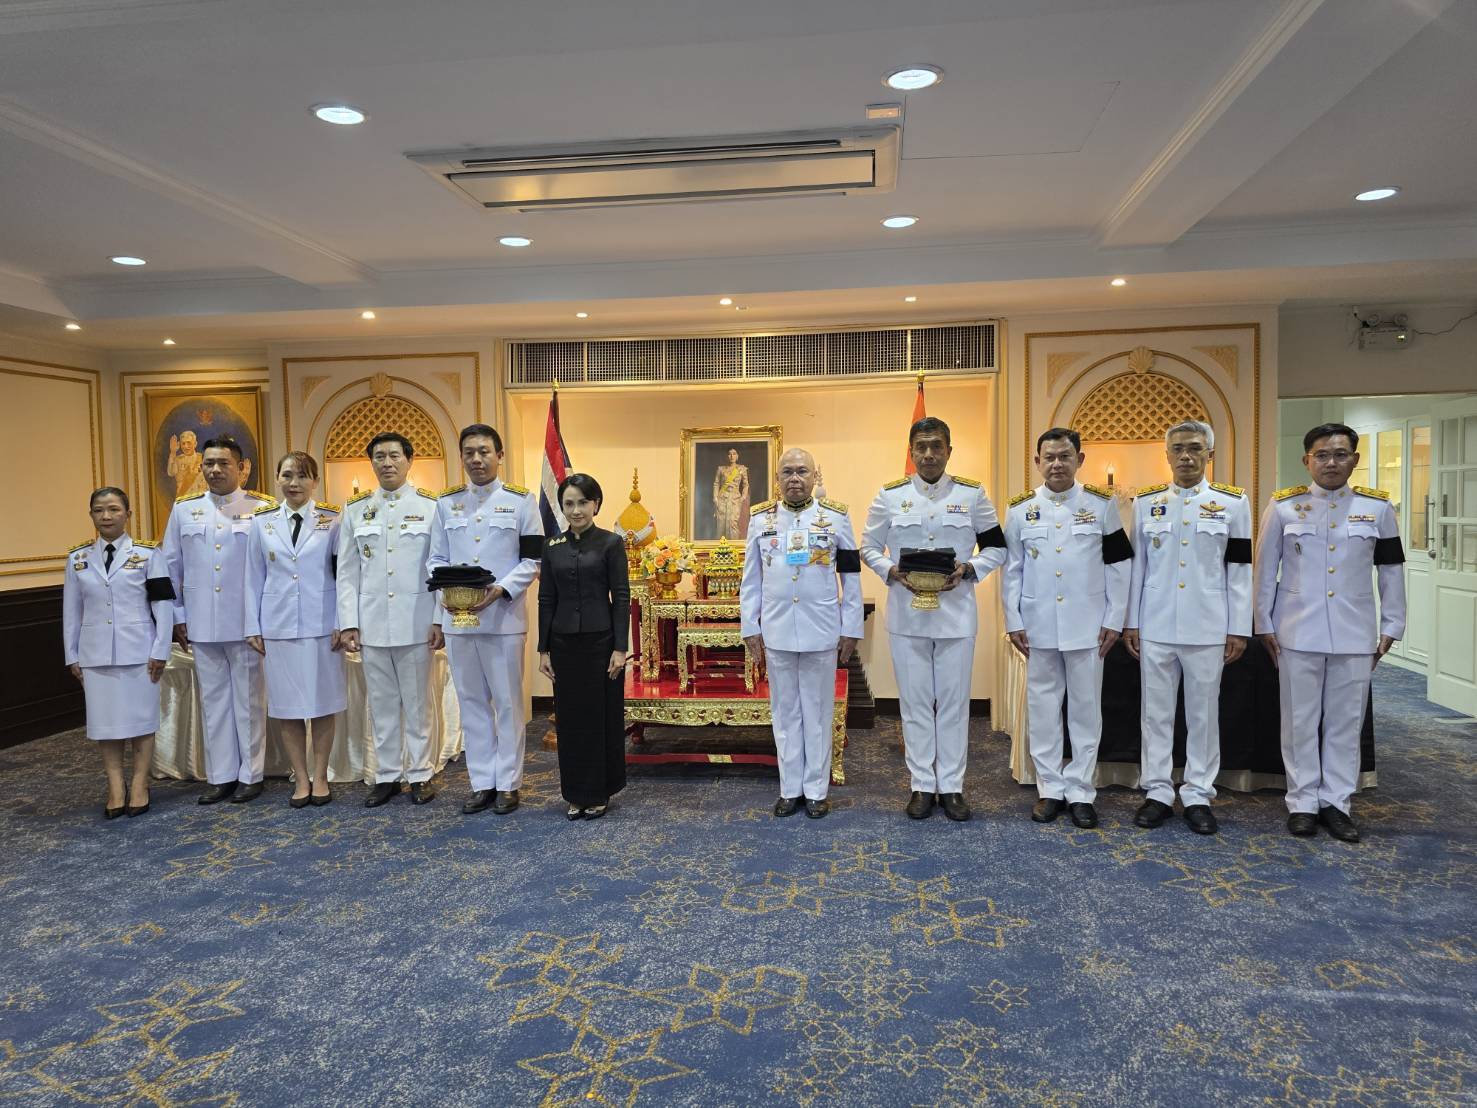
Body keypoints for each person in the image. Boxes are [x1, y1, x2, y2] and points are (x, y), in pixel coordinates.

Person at [1254, 422, 1405, 842]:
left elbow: (1391, 570)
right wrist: (1263, 622)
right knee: (1299, 721)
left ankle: (1336, 802)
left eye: (1340, 454)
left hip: (1355, 632)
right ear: (1307, 461)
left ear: (1354, 460)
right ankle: (1302, 802)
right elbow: (1265, 570)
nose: (1331, 462)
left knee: (1345, 721)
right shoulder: (1284, 506)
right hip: (1296, 630)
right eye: (1322, 455)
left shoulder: (1378, 509)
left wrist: (1393, 623)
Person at [861, 416, 1006, 821]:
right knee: (915, 703)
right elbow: (868, 547)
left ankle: (952, 787)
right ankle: (923, 784)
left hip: (955, 616)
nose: (928, 454)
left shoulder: (972, 495)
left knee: (955, 705)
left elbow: (997, 548)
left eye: (936, 446)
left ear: (949, 451)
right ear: (911, 452)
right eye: (921, 447)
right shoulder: (890, 496)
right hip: (907, 617)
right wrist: (891, 571)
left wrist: (971, 569)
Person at [1122, 420, 1251, 835]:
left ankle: (1197, 794)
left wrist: (1238, 627)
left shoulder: (1232, 503)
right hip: (1156, 624)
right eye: (1177, 449)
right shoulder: (1146, 503)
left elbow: (1240, 570)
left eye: (1195, 448)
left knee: (1203, 715)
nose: (1186, 456)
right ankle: (1158, 791)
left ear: (1210, 454)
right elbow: (1137, 568)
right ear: (1167, 455)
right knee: (1155, 714)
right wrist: (1131, 622)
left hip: (1208, 625)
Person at [1002, 428, 1132, 829]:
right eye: (1049, 457)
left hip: (1088, 626)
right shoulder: (1020, 510)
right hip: (1037, 625)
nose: (1057, 464)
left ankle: (1080, 791)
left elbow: (1119, 566)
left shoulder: (1102, 505)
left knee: (1085, 710)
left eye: (1065, 456)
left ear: (1080, 459)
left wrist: (1114, 619)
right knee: (1043, 710)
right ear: (1037, 462)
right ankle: (1050, 790)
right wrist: (1013, 620)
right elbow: (1012, 571)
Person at [740, 448, 863, 818]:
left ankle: (816, 791)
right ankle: (789, 788)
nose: (794, 478)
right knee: (785, 712)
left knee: (818, 711)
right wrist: (750, 627)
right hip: (777, 629)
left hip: (821, 629)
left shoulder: (836, 517)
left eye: (802, 471)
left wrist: (851, 627)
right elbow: (751, 579)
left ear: (814, 477)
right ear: (777, 478)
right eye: (787, 472)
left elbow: (851, 576)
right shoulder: (761, 519)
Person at [427, 424, 543, 816]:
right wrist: (445, 598)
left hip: (503, 618)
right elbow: (435, 559)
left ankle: (508, 783)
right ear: (461, 457)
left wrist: (501, 589)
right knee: (471, 702)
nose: (476, 459)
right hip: (459, 620)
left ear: (499, 455)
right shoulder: (447, 503)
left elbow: (532, 560)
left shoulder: (521, 501)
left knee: (508, 704)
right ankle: (482, 783)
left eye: (484, 452)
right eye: (469, 453)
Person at [160, 436, 276, 804]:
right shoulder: (184, 509)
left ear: (242, 468)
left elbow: (269, 569)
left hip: (246, 624)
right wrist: (178, 615)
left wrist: (263, 620)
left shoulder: (261, 509)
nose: (214, 470)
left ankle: (251, 774)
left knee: (249, 702)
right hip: (201, 622)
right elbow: (170, 566)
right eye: (208, 463)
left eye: (223, 463)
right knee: (214, 702)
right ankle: (222, 775)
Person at [337, 432, 443, 806]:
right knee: (381, 706)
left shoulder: (431, 507)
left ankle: (420, 774)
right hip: (372, 624)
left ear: (409, 460)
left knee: (417, 704)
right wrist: (348, 623)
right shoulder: (355, 509)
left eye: (394, 455)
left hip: (416, 622)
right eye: (379, 456)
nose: (387, 462)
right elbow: (347, 573)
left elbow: (438, 569)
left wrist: (438, 618)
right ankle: (386, 775)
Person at [62, 488, 175, 818]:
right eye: (99, 510)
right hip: (95, 654)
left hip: (140, 652)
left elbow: (163, 605)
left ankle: (139, 783)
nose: (106, 516)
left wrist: (161, 649)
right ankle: (115, 785)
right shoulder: (78, 559)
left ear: (128, 514)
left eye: (113, 509)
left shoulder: (149, 554)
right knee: (105, 724)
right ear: (91, 516)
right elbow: (72, 611)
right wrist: (72, 655)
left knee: (141, 721)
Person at [245, 451, 345, 808]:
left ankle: (321, 776)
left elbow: (344, 575)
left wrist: (342, 621)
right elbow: (252, 576)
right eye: (287, 475)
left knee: (322, 705)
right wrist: (252, 625)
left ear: (315, 481)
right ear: (277, 479)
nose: (294, 483)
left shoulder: (332, 519)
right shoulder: (262, 522)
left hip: (322, 625)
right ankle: (300, 778)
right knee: (287, 708)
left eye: (302, 476)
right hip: (279, 626)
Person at [537, 474, 630, 820]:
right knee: (571, 720)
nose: (575, 510)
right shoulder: (552, 546)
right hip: (563, 645)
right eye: (569, 504)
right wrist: (543, 650)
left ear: (596, 504)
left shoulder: (610, 543)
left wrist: (620, 648)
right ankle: (575, 793)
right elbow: (546, 599)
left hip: (601, 644)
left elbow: (621, 597)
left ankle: (599, 791)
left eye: (582, 503)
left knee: (599, 718)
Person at [713, 447, 750, 541]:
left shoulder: (741, 469)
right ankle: (720, 545)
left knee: (733, 522)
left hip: (735, 499)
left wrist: (743, 497)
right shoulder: (721, 469)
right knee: (721, 522)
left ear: (737, 456)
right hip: (722, 498)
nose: (732, 456)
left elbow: (746, 485)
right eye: (729, 454)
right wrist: (715, 497)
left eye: (734, 454)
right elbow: (716, 483)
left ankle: (734, 545)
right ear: (727, 456)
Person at [167, 429, 205, 499]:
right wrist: (173, 452)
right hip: (183, 499)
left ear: (195, 444)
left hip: (199, 499)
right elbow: (171, 473)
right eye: (183, 443)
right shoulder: (178, 460)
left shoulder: (202, 458)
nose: (185, 446)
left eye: (189, 443)